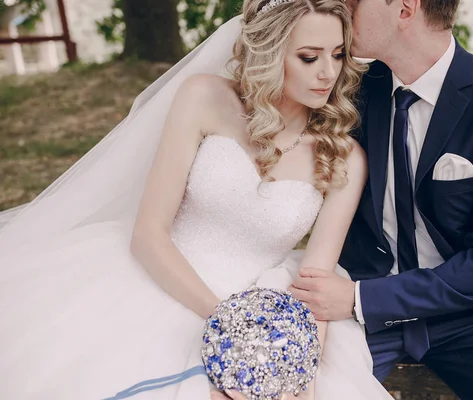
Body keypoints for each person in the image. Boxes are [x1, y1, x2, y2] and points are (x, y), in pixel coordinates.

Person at [0, 0, 394, 399]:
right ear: (271, 52)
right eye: (309, 57)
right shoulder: (203, 97)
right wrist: (230, 328)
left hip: (266, 311)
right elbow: (149, 234)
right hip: (157, 280)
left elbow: (316, 287)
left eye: (338, 54)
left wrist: (292, 372)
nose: (328, 72)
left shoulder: (343, 159)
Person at [289, 0, 473, 399]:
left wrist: (361, 299)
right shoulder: (346, 91)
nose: (344, 6)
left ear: (405, 10)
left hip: (467, 314)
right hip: (355, 311)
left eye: (357, 1)